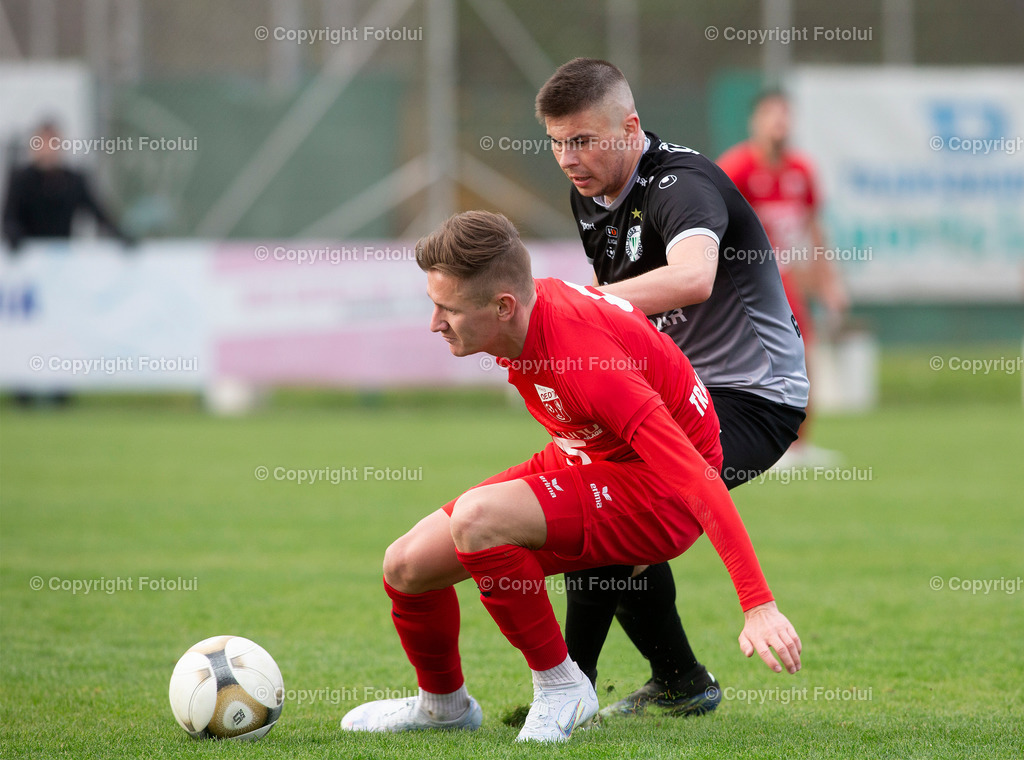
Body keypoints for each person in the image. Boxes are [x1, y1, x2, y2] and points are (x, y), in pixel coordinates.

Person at [340, 210, 802, 743]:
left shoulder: (586, 362)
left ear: (504, 306)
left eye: (448, 309)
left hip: (658, 494)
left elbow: (698, 478)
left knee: (479, 521)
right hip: (587, 456)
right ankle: (443, 706)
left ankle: (564, 686)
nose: (435, 323)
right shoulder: (528, 312)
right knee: (405, 565)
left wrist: (758, 605)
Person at [535, 58, 809, 717]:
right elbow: (633, 321)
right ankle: (678, 681)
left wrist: (583, 305)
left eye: (582, 141)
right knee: (605, 508)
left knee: (611, 514)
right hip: (680, 393)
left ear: (629, 127)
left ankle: (570, 690)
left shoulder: (681, 184)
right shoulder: (591, 193)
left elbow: (692, 280)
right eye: (556, 142)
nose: (568, 158)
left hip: (756, 398)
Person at [717, 90, 849, 467]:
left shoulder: (801, 172)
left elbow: (813, 230)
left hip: (783, 279)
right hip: (744, 280)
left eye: (785, 114)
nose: (779, 122)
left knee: (804, 356)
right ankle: (751, 445)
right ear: (754, 122)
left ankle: (797, 445)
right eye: (770, 114)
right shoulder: (737, 168)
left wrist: (829, 284)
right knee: (746, 364)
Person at [2, 120, 132, 251]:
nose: (48, 150)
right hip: (29, 257)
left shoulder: (74, 181)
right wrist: (15, 239)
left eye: (52, 143)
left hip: (63, 255)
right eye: (42, 144)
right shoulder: (21, 180)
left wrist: (121, 235)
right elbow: (10, 218)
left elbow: (98, 213)